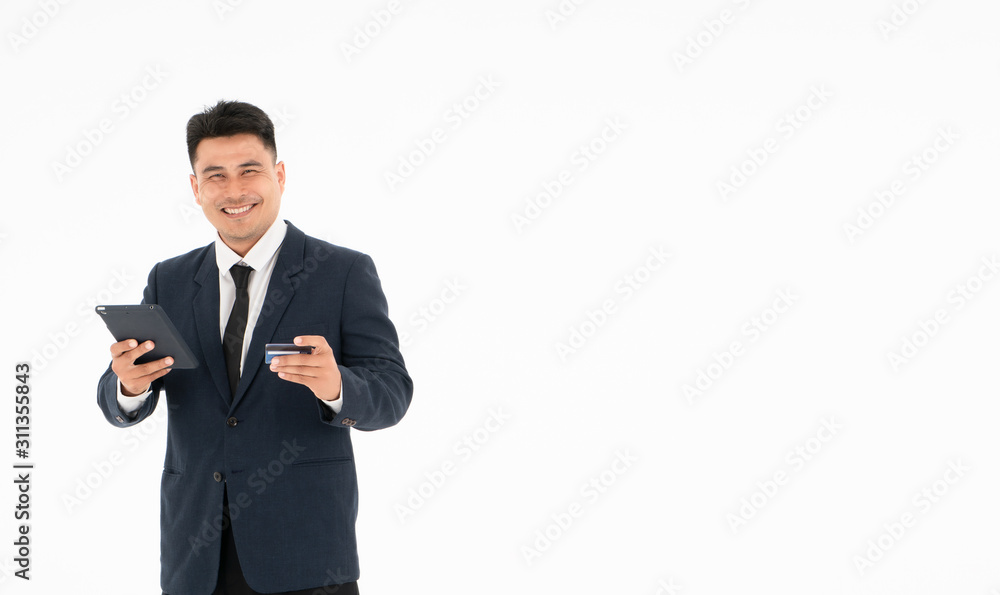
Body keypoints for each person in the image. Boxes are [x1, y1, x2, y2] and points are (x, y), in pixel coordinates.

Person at [96, 100, 413, 594]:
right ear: (195, 188)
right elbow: (118, 397)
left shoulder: (342, 273)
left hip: (306, 556)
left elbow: (392, 394)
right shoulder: (170, 280)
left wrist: (337, 387)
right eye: (215, 175)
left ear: (279, 175)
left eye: (250, 170)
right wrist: (127, 388)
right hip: (194, 558)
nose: (235, 189)